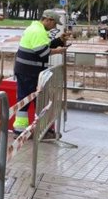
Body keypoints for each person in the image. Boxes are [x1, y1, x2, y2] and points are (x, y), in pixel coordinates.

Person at [13, 9, 70, 137]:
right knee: (33, 100)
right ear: (48, 20)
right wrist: (59, 51)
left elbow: (46, 45)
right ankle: (31, 130)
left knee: (29, 99)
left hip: (27, 71)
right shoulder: (38, 31)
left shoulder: (36, 29)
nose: (54, 27)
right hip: (30, 72)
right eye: (54, 24)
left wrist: (59, 40)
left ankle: (25, 129)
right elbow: (43, 52)